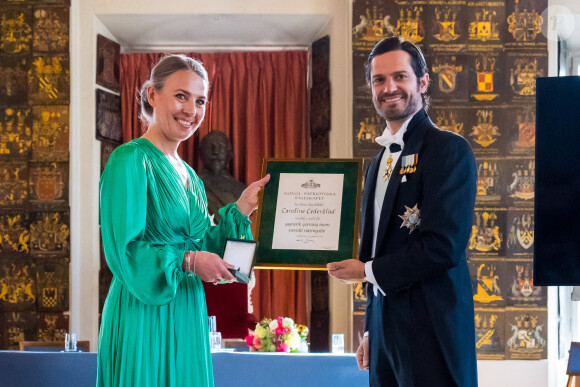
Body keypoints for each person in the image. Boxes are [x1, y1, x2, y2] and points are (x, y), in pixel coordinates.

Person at [97, 54, 269, 387]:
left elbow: (210, 251)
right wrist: (189, 261)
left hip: (187, 310)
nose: (191, 110)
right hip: (143, 309)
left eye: (200, 100)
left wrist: (243, 208)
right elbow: (125, 252)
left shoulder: (189, 175)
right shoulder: (130, 159)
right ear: (152, 95)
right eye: (181, 96)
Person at [327, 37, 478, 386]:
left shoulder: (448, 149)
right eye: (379, 80)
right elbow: (380, 247)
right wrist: (370, 329)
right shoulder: (378, 162)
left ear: (422, 82)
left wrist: (365, 270)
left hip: (432, 329)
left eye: (400, 76)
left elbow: (443, 247)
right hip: (385, 333)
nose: (389, 87)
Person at [199, 130, 246, 224]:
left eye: (221, 147)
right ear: (201, 153)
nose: (216, 152)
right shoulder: (191, 188)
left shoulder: (242, 190)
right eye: (210, 147)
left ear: (230, 154)